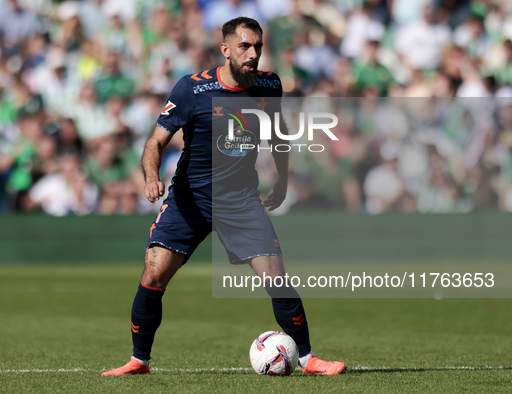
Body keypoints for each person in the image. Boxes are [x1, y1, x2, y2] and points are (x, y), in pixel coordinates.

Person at [102, 17, 346, 377]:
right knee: (153, 275)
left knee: (276, 277)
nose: (253, 55)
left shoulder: (269, 85)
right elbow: (155, 141)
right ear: (226, 49)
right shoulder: (191, 90)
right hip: (190, 199)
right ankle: (140, 361)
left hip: (241, 201)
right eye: (245, 47)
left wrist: (281, 179)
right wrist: (151, 177)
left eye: (258, 47)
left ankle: (309, 360)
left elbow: (278, 135)